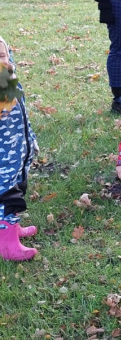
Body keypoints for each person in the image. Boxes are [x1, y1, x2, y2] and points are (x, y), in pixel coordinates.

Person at [0, 36, 39, 261]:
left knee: (19, 186)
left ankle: (12, 229)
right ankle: (7, 243)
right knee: (8, 195)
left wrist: (30, 139)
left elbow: (21, 115)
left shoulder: (8, 78)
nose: (2, 61)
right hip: (3, 160)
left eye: (4, 55)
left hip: (18, 153)